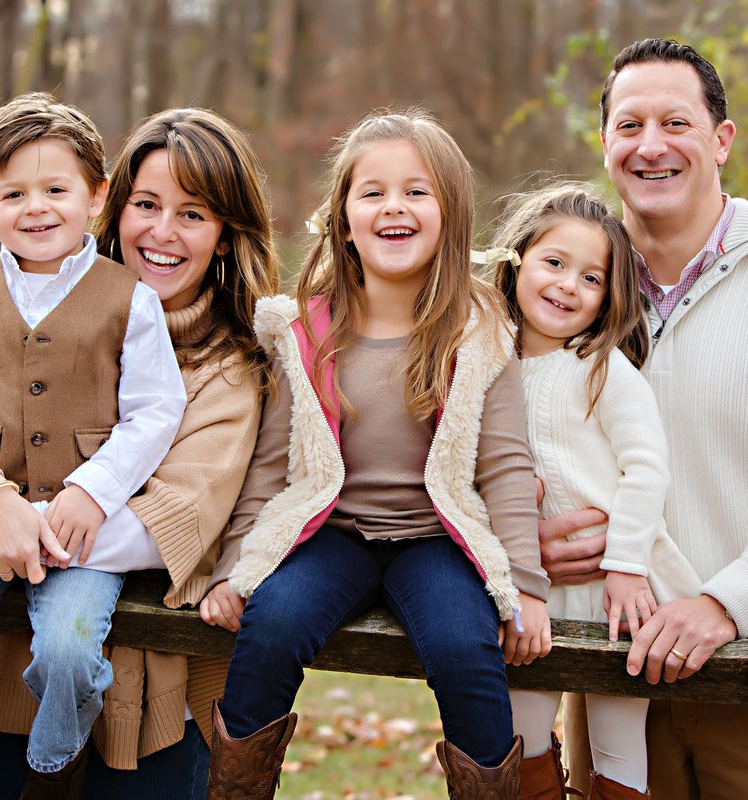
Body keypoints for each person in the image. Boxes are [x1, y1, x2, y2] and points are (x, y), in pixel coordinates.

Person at [198, 108, 551, 800]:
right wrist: (237, 567)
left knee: (464, 648)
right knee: (272, 626)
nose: (394, 206)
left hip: (436, 542)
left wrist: (526, 587)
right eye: (373, 192)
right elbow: (270, 464)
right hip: (332, 536)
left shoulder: (480, 330)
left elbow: (507, 466)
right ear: (343, 216)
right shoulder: (305, 328)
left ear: (451, 213)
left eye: (417, 191)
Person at [0, 107, 279, 798]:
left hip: (155, 696)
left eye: (192, 214)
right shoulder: (8, 312)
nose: (163, 232)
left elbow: (172, 524)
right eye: (147, 205)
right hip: (4, 672)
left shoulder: (229, 372)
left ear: (225, 234)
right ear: (114, 205)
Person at [0, 93, 187, 798]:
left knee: (68, 653)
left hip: (80, 527)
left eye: (56, 189)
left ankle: (53, 768)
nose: (37, 208)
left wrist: (93, 490)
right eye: (13, 194)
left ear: (97, 196)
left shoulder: (130, 298)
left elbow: (155, 411)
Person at [541, 40, 747, 799]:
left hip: (743, 673)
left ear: (721, 139)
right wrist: (523, 542)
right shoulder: (561, 289)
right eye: (629, 125)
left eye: (676, 123)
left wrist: (728, 603)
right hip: (606, 669)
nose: (650, 145)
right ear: (605, 144)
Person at [482, 184, 701, 799]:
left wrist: (627, 566)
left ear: (609, 296)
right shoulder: (485, 366)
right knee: (520, 736)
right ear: (516, 261)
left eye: (591, 278)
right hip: (534, 592)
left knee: (618, 742)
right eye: (554, 262)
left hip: (616, 595)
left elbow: (646, 468)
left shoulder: (602, 367)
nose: (568, 286)